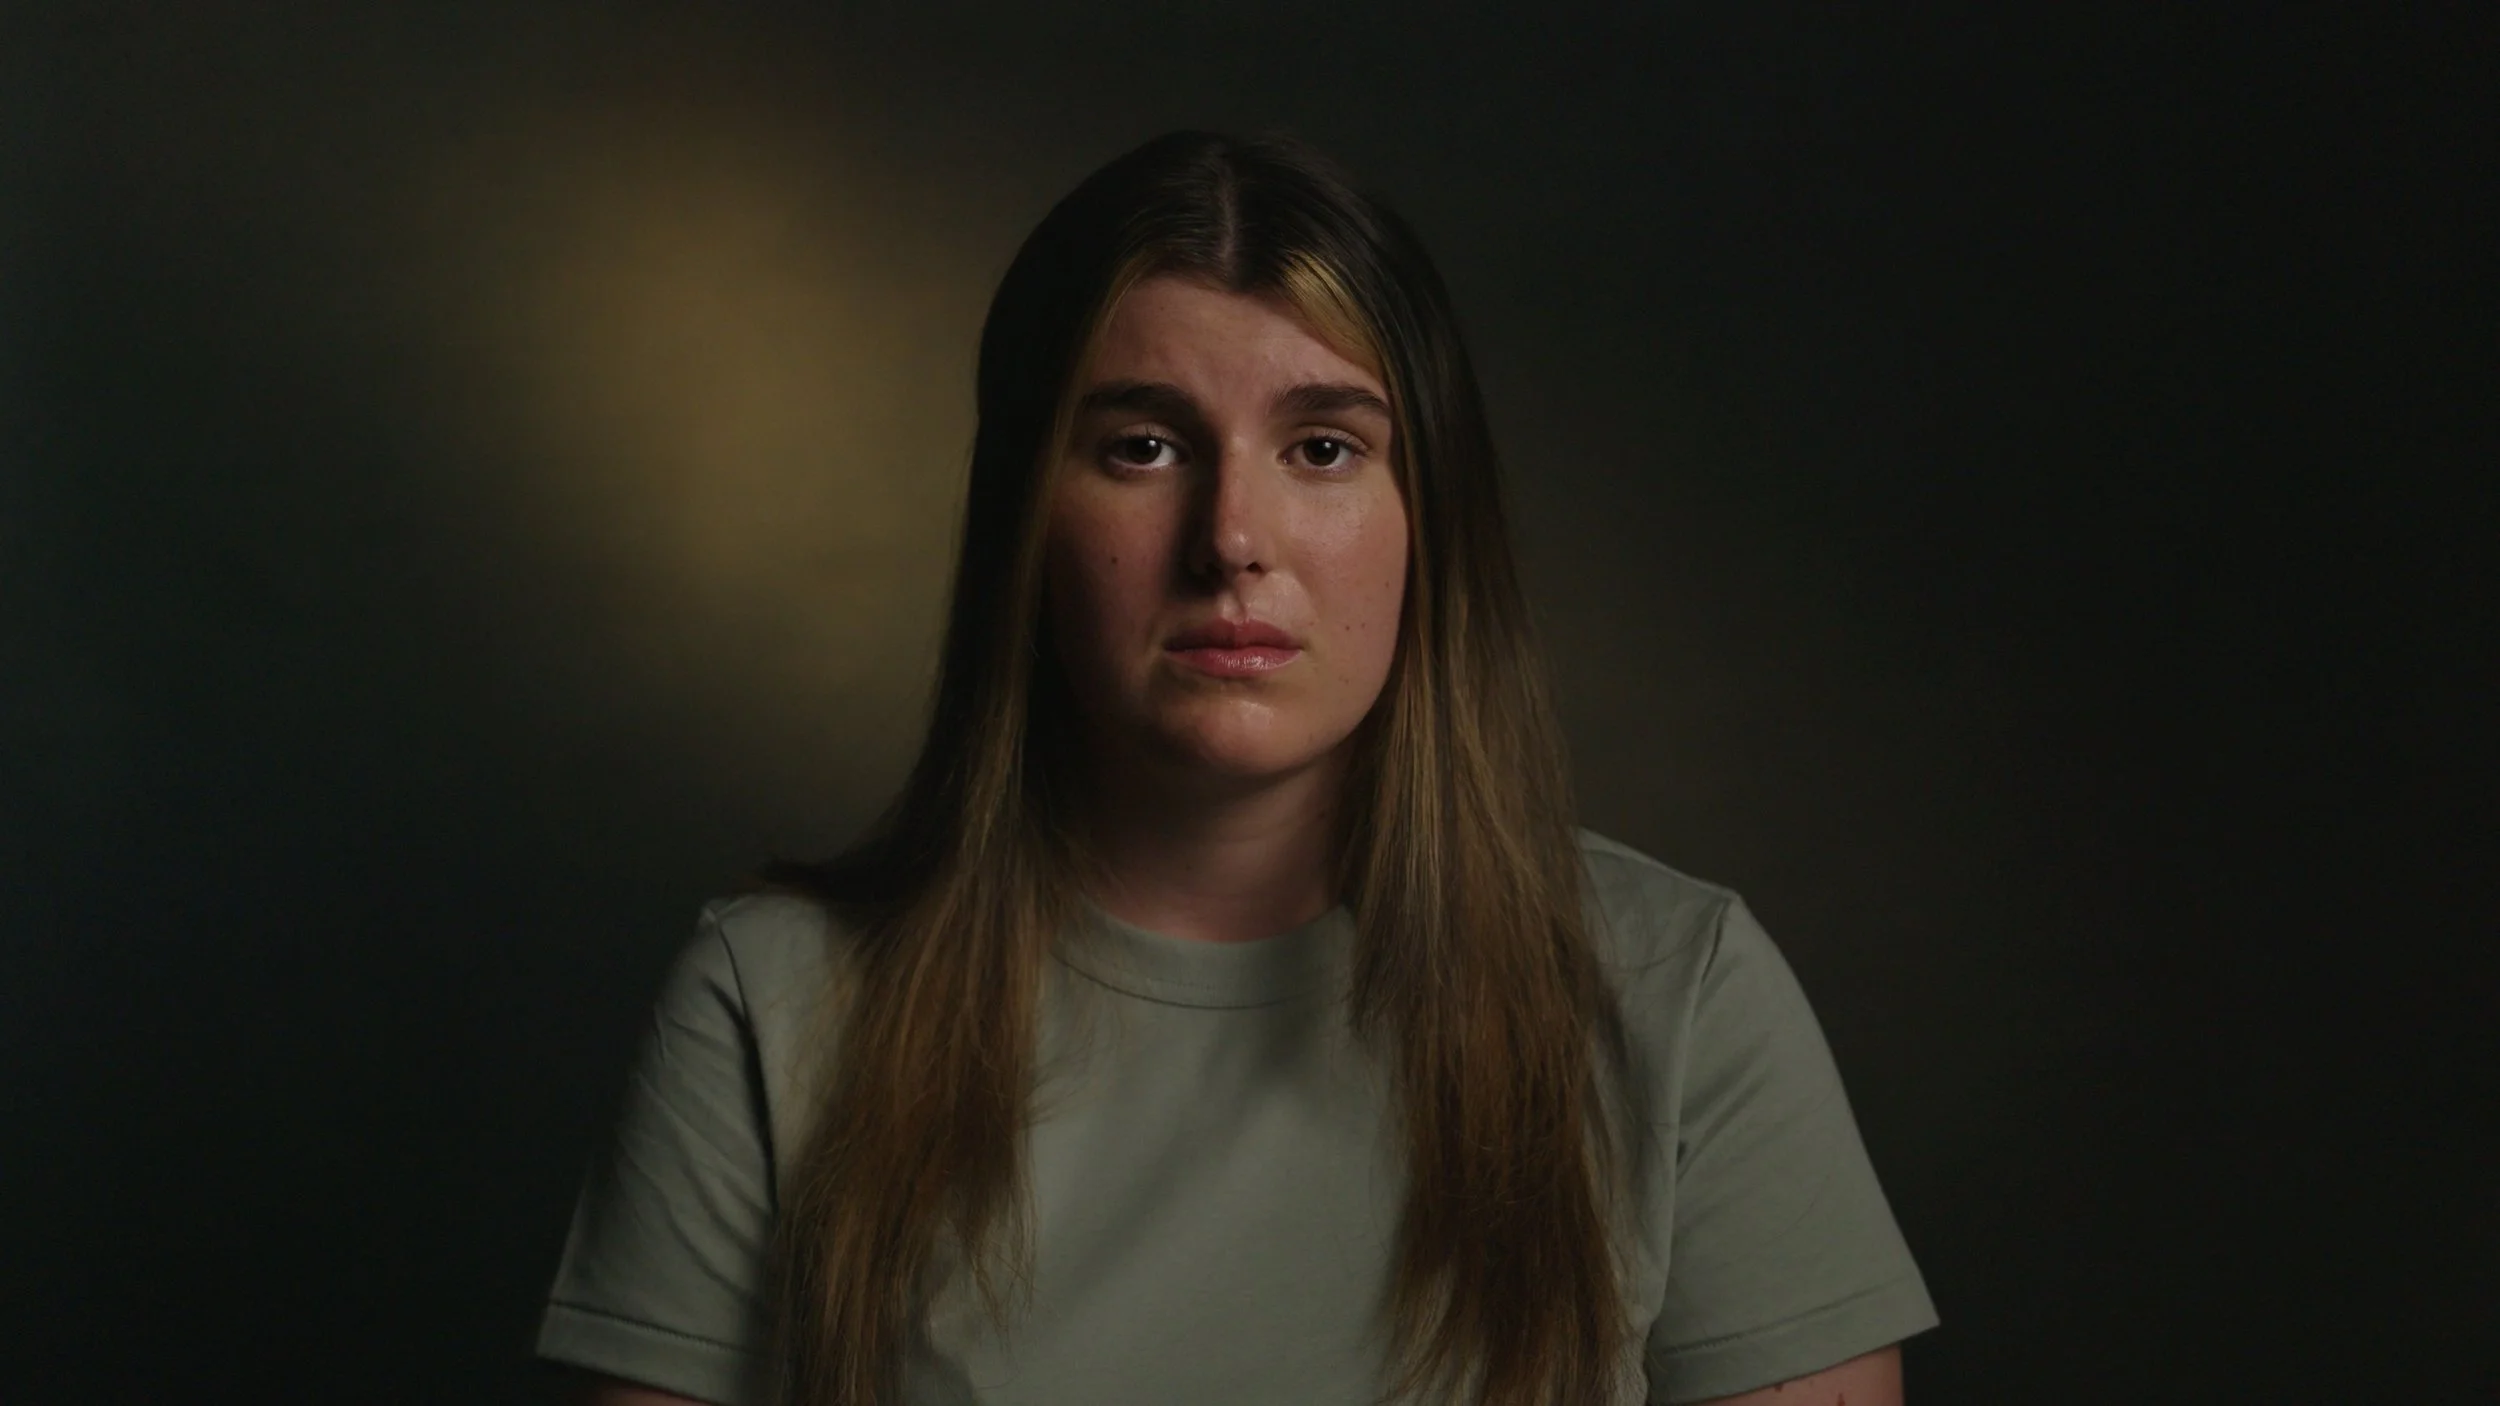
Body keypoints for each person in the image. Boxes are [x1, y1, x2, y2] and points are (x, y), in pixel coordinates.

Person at [535, 130, 1939, 1406]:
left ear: (1428, 519)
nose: (1233, 537)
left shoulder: (1678, 1002)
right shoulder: (776, 1009)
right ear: (1025, 513)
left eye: (1325, 446)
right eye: (1142, 446)